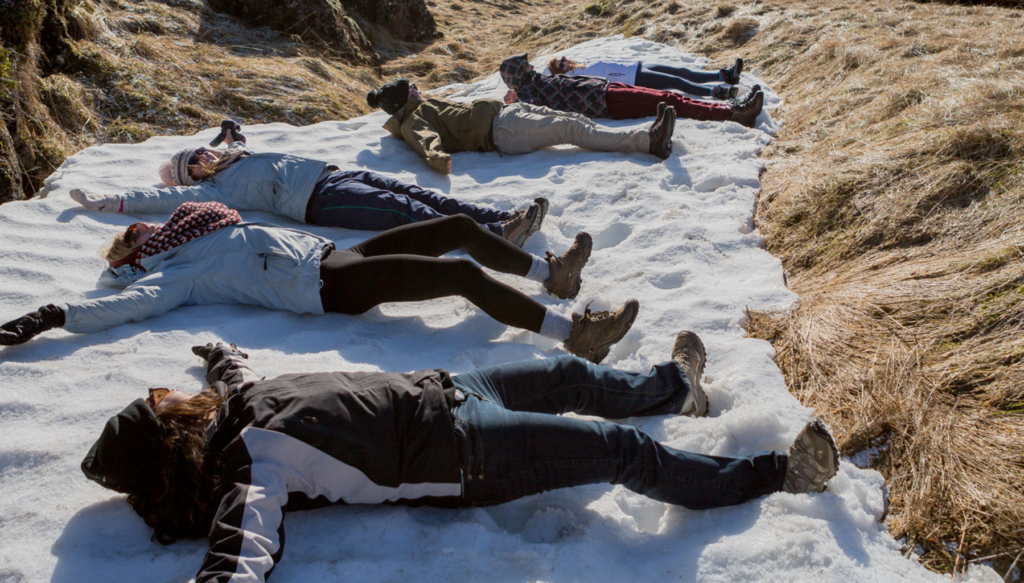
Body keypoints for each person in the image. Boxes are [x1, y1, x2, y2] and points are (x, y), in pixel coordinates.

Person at [80, 335, 840, 583]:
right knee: (617, 452)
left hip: (448, 388)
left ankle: (677, 390)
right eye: (159, 398)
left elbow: (234, 373)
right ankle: (778, 474)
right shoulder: (250, 468)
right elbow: (241, 554)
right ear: (169, 429)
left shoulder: (237, 406)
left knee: (564, 373)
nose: (169, 390)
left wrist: (217, 353)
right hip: (468, 453)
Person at [0, 201, 638, 363]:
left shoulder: (201, 227)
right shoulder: (177, 271)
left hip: (335, 257)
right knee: (460, 275)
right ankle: (572, 335)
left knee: (456, 226)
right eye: (135, 234)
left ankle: (549, 275)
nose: (148, 227)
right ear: (135, 254)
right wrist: (53, 314)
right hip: (325, 288)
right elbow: (128, 306)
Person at [69, 126, 547, 247]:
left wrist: (227, 133)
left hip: (332, 173)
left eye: (201, 151)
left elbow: (233, 138)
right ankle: (495, 238)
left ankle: (499, 218)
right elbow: (158, 197)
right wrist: (107, 202)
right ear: (188, 177)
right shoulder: (211, 192)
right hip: (318, 200)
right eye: (194, 162)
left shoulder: (233, 156)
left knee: (421, 195)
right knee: (405, 211)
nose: (204, 157)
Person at [365, 78, 677, 174]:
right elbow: (425, 141)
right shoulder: (413, 120)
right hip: (503, 132)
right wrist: (437, 160)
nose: (418, 87)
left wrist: (503, 102)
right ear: (403, 100)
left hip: (508, 114)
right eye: (411, 88)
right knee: (572, 131)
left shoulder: (422, 106)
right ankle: (649, 142)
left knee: (575, 121)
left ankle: (648, 133)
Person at [500, 53, 765, 128]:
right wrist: (514, 100)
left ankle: (730, 106)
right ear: (519, 74)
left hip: (606, 89)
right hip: (605, 101)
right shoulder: (528, 93)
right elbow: (533, 114)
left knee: (670, 95)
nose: (530, 64)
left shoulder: (535, 83)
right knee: (669, 98)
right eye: (525, 65)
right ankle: (734, 113)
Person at [546, 56, 745, 100]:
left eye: (562, 59)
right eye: (560, 66)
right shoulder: (575, 76)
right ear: (559, 73)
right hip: (633, 78)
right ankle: (718, 92)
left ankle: (725, 76)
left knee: (681, 72)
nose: (564, 62)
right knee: (676, 83)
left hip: (636, 66)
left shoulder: (580, 65)